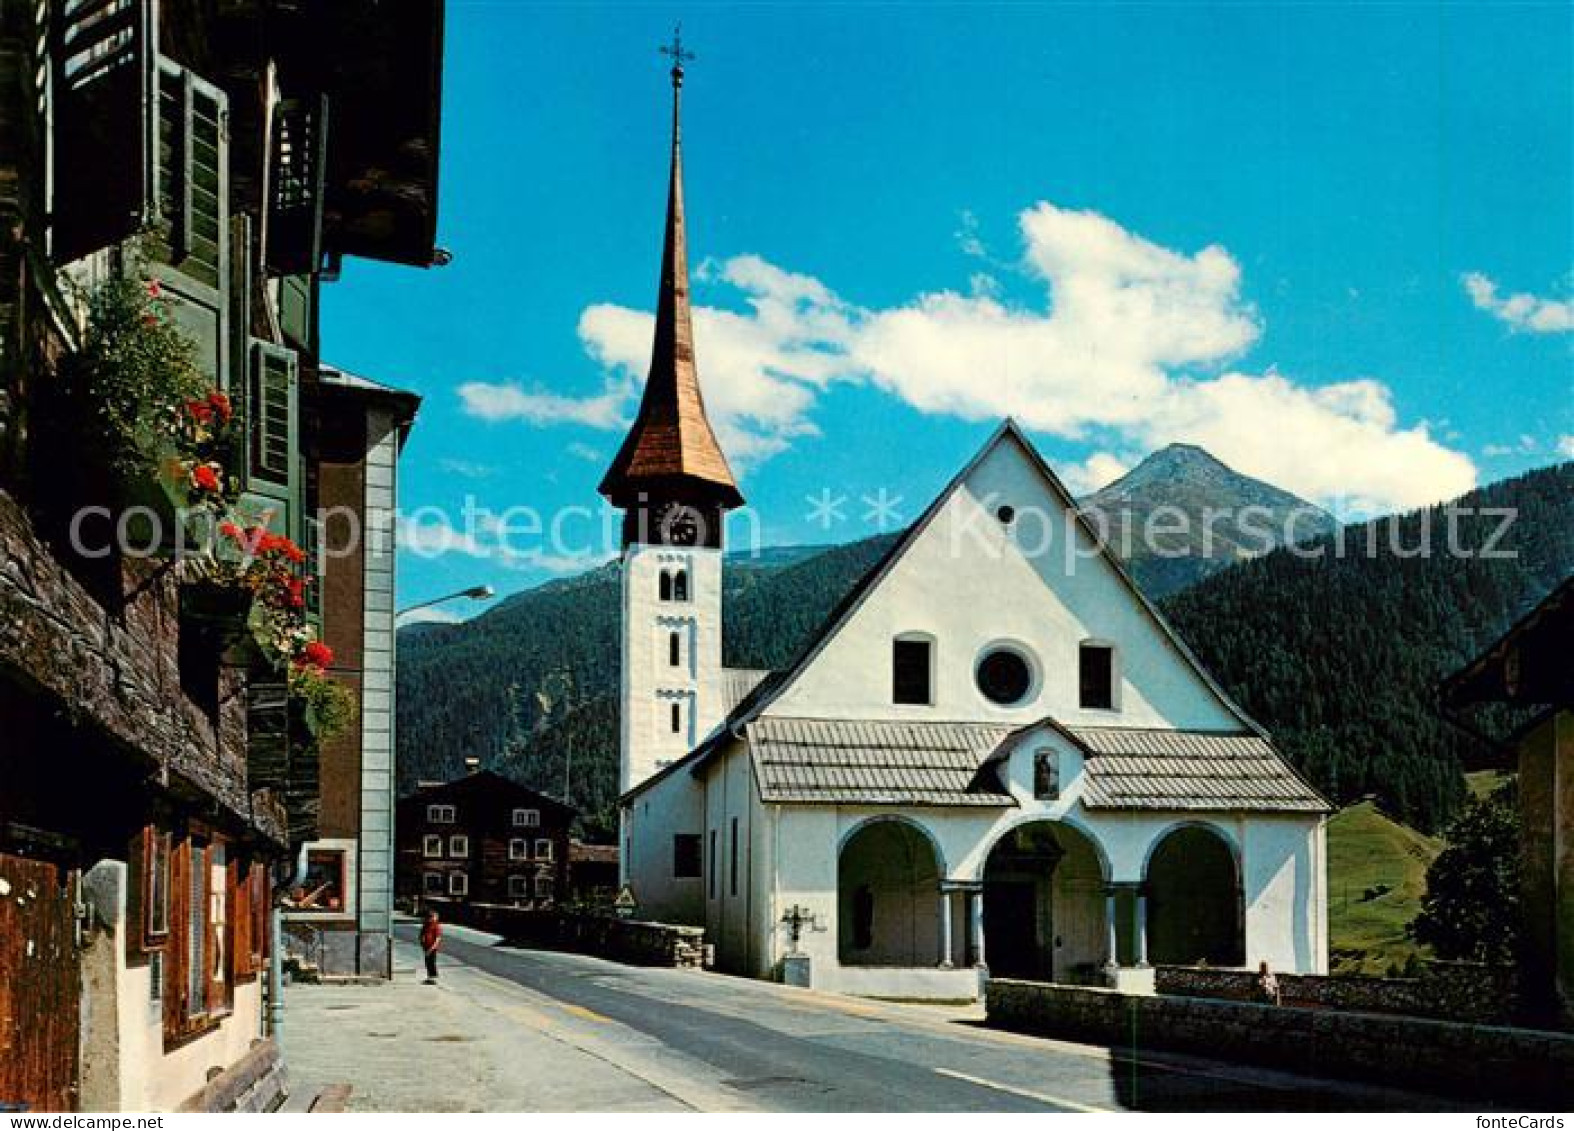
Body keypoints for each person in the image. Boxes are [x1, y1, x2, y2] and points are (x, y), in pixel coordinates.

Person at [420, 909, 442, 984]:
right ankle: (429, 977)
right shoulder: (426, 925)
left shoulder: (436, 926)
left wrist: (432, 948)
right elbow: (422, 934)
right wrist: (422, 942)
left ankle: (433, 978)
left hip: (432, 947)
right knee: (427, 962)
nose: (430, 919)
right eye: (429, 917)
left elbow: (438, 939)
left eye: (432, 917)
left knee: (432, 962)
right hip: (426, 946)